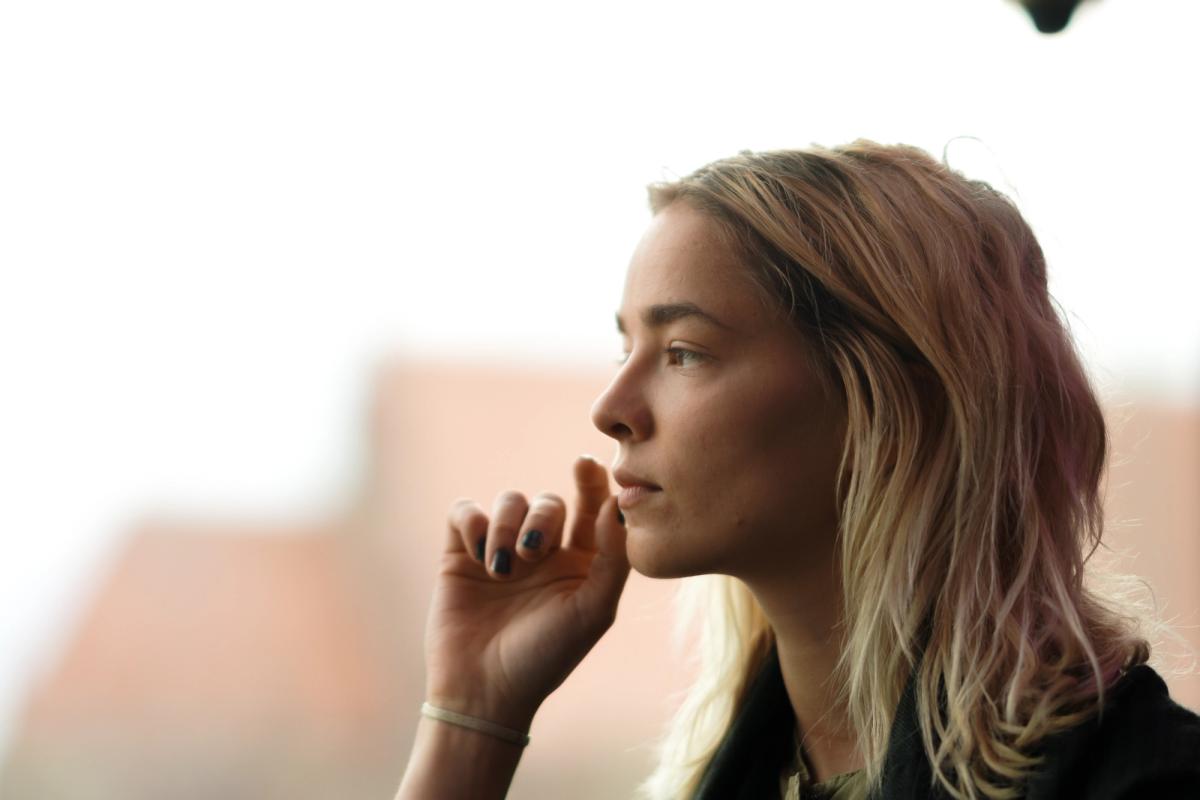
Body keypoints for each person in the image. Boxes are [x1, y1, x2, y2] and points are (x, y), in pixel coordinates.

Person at [396, 141, 1200, 799]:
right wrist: (472, 715)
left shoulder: (1146, 783)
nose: (611, 406)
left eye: (684, 353)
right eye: (625, 347)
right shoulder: (721, 774)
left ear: (888, 397)